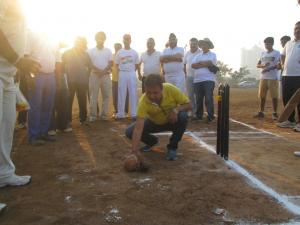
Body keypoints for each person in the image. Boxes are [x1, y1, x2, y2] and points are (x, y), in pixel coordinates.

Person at [0, 0, 40, 188]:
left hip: (8, 75)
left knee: (6, 126)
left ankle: (4, 173)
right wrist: (17, 60)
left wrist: (19, 63)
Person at [125, 74, 191, 161]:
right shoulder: (143, 102)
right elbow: (138, 128)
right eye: (148, 93)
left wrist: (176, 110)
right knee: (130, 131)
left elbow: (189, 105)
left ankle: (172, 148)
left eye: (155, 93)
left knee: (183, 116)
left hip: (171, 121)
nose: (152, 96)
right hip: (154, 123)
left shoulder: (170, 89)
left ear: (162, 89)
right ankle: (152, 141)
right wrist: (134, 151)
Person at [63, 37, 91, 126]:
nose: (81, 45)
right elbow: (62, 65)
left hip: (82, 81)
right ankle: (68, 120)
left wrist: (86, 77)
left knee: (82, 100)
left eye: (83, 43)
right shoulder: (67, 53)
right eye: (79, 43)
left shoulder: (86, 54)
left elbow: (89, 66)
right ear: (75, 43)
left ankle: (83, 119)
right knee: (68, 100)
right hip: (70, 80)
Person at [278, 21, 300, 132]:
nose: (297, 30)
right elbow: (282, 55)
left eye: (299, 28)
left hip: (298, 75)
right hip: (286, 75)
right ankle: (290, 120)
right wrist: (282, 65)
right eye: (296, 28)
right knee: (287, 97)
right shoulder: (289, 43)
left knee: (298, 100)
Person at [88, 31, 113, 122]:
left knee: (106, 96)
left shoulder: (108, 51)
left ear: (104, 39)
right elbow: (89, 63)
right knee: (93, 96)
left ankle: (104, 115)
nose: (100, 39)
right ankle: (93, 116)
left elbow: (111, 63)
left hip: (106, 76)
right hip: (94, 75)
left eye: (102, 38)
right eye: (99, 37)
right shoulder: (91, 51)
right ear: (95, 39)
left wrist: (103, 71)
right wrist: (99, 71)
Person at [254, 37, 280, 120]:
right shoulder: (263, 53)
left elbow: (279, 65)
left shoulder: (277, 53)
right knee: (262, 96)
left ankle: (275, 113)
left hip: (273, 77)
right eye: (265, 43)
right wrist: (263, 66)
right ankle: (261, 112)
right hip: (263, 77)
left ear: (272, 44)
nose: (266, 45)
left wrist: (269, 68)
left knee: (274, 96)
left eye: (268, 43)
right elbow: (258, 65)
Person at [191, 38, 217, 122]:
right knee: (198, 99)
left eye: (206, 44)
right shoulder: (197, 55)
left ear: (209, 46)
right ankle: (199, 116)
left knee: (208, 98)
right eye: (203, 44)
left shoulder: (213, 54)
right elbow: (193, 65)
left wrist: (200, 63)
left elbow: (210, 62)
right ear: (201, 46)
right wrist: (204, 64)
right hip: (197, 80)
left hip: (209, 80)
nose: (204, 46)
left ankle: (210, 116)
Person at [115, 34, 139, 120]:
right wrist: (123, 71)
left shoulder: (134, 52)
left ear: (130, 40)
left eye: (128, 39)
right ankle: (121, 114)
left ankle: (134, 114)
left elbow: (137, 64)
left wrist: (131, 71)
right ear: (123, 40)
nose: (126, 40)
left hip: (132, 73)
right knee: (121, 93)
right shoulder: (119, 52)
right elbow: (117, 64)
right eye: (125, 39)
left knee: (133, 93)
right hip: (122, 73)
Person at [184, 38, 202, 118]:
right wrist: (185, 74)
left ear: (197, 44)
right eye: (191, 44)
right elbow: (184, 64)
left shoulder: (201, 53)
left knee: (198, 96)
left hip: (199, 78)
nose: (193, 45)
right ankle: (192, 111)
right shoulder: (187, 53)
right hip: (189, 77)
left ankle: (198, 112)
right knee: (190, 95)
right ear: (189, 44)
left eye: (194, 44)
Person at [111, 43, 129, 117]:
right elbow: (109, 65)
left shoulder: (124, 56)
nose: (117, 48)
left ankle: (125, 111)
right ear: (114, 48)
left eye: (119, 47)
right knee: (115, 96)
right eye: (116, 47)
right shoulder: (112, 56)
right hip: (115, 79)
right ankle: (116, 111)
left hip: (124, 79)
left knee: (125, 95)